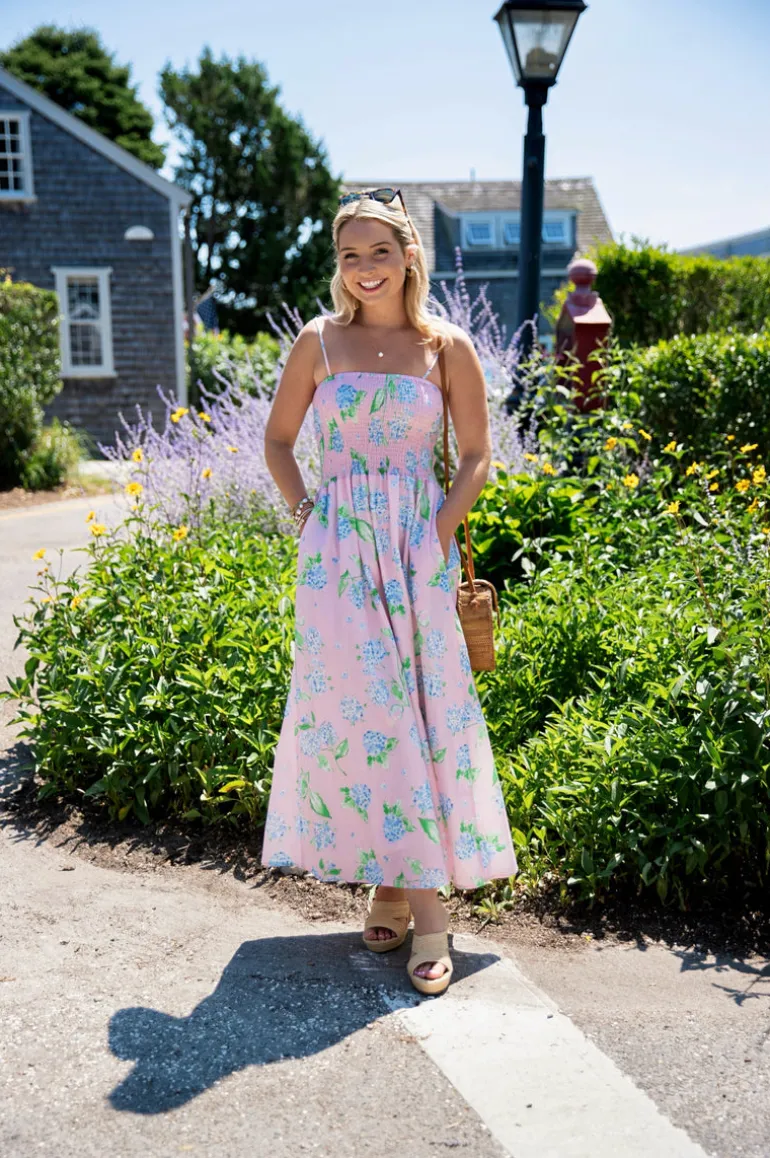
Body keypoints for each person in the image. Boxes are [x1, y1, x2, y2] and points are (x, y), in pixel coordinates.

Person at [261, 187, 517, 996]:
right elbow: (276, 440)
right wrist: (309, 518)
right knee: (360, 716)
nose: (364, 269)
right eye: (349, 255)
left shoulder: (447, 346)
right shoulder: (318, 343)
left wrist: (435, 537)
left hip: (416, 551)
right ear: (337, 266)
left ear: (410, 255)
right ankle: (390, 885)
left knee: (416, 713)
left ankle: (425, 912)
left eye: (379, 251)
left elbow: (476, 455)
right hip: (336, 558)